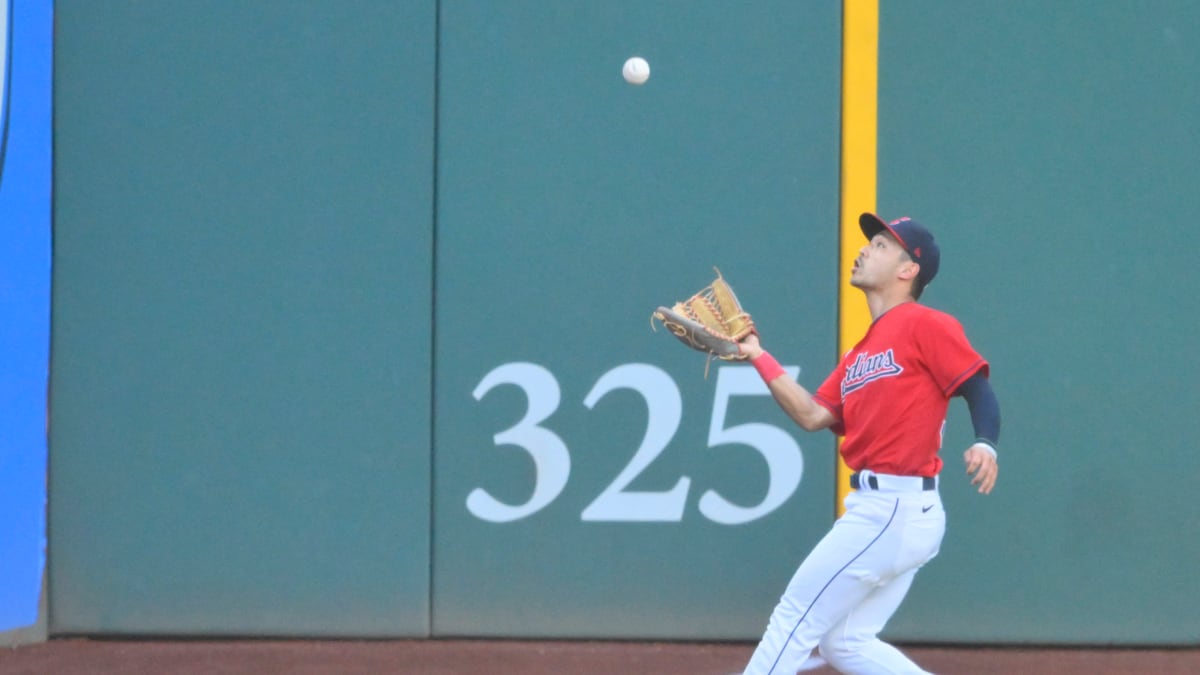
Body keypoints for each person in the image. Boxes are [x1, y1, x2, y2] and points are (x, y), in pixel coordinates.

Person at [737, 213, 1001, 675]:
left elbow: (977, 387)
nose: (864, 250)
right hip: (883, 509)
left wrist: (986, 443)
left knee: (794, 618)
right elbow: (813, 414)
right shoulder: (859, 353)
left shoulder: (925, 324)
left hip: (894, 508)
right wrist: (758, 354)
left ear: (908, 269)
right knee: (845, 642)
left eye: (880, 244)